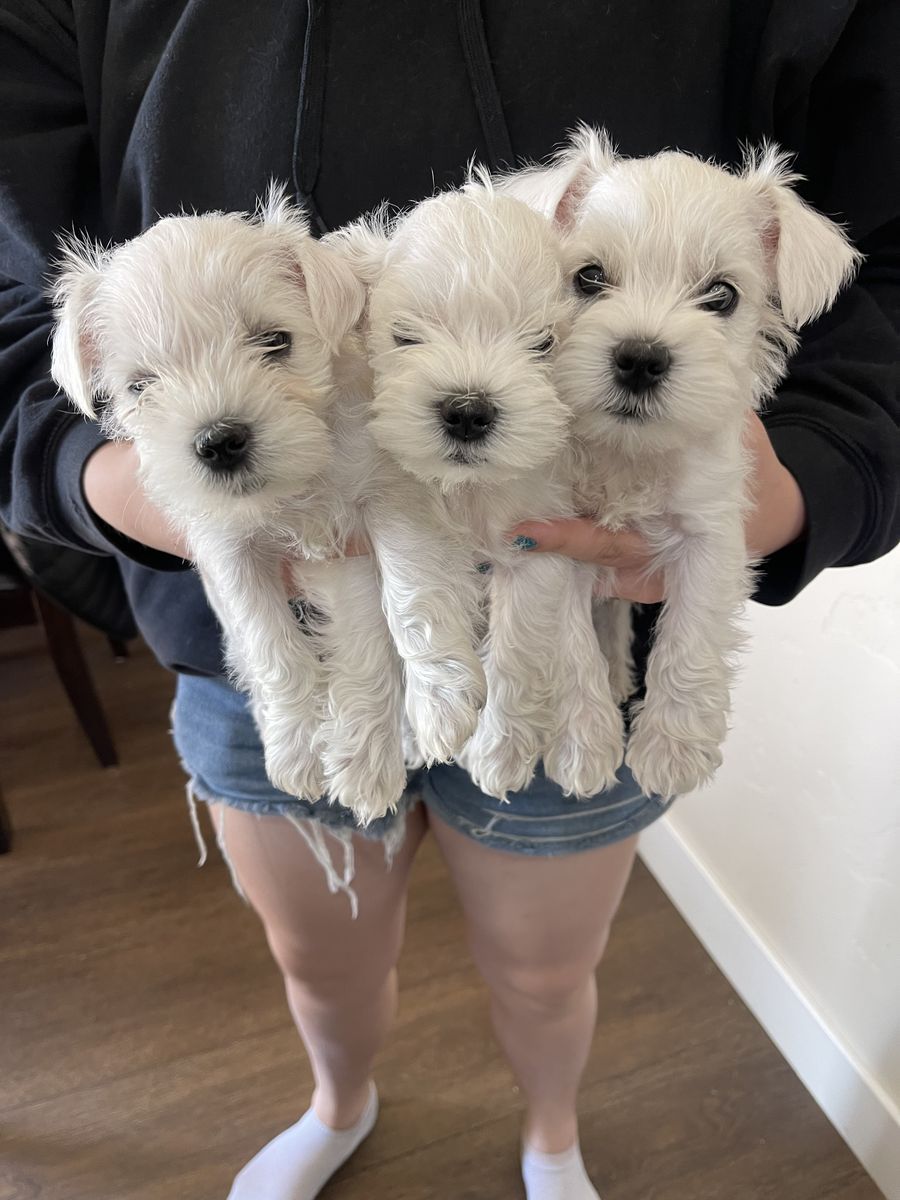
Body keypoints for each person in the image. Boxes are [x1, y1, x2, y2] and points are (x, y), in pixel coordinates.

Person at [2, 3, 898, 1198]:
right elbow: (17, 298)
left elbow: (880, 263)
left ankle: (551, 1135)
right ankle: (338, 1100)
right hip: (240, 620)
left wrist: (798, 490)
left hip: (584, 597)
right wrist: (120, 478)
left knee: (544, 971)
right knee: (320, 962)